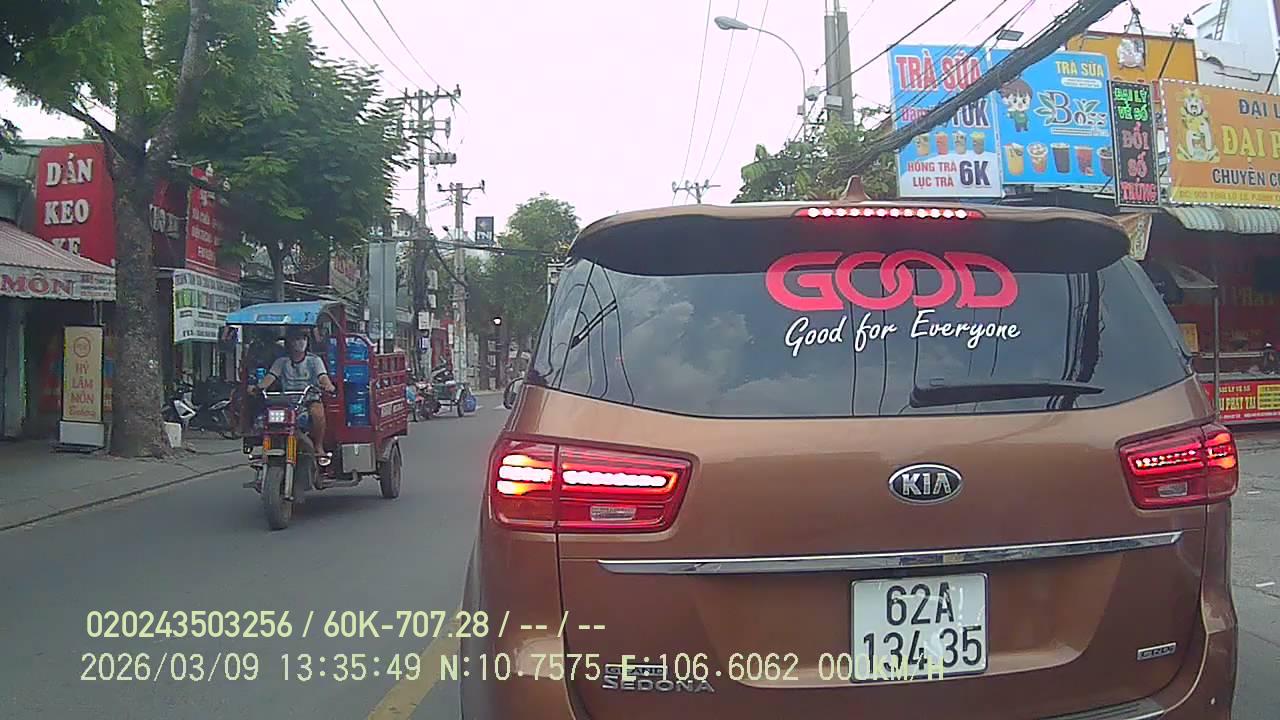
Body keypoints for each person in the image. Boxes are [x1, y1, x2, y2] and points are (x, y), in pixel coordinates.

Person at [253, 327, 336, 464]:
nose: (300, 342)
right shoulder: (281, 361)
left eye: (303, 338)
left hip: (309, 398)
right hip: (287, 400)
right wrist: (258, 387)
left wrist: (328, 385)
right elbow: (270, 377)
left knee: (318, 413)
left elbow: (323, 377)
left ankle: (318, 446)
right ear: (290, 342)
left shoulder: (314, 360)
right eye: (297, 339)